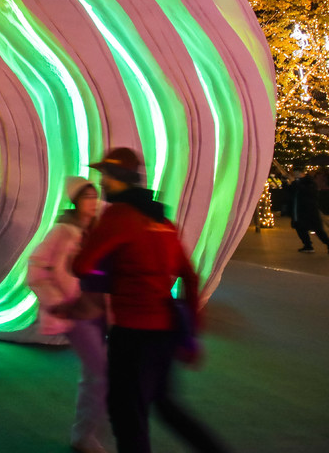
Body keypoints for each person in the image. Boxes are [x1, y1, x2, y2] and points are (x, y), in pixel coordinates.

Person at [72, 147, 226, 453]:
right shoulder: (162, 221)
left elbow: (81, 266)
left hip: (133, 332)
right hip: (165, 331)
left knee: (127, 414)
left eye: (104, 175)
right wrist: (192, 333)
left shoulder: (118, 216)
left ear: (116, 178)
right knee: (165, 404)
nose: (101, 182)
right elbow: (190, 277)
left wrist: (104, 265)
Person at [28, 177, 108, 452]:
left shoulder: (99, 230)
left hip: (100, 311)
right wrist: (56, 301)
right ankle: (85, 435)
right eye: (87, 197)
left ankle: (87, 432)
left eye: (95, 197)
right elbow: (36, 267)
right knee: (100, 373)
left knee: (95, 374)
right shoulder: (62, 231)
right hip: (77, 313)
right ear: (76, 201)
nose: (93, 202)